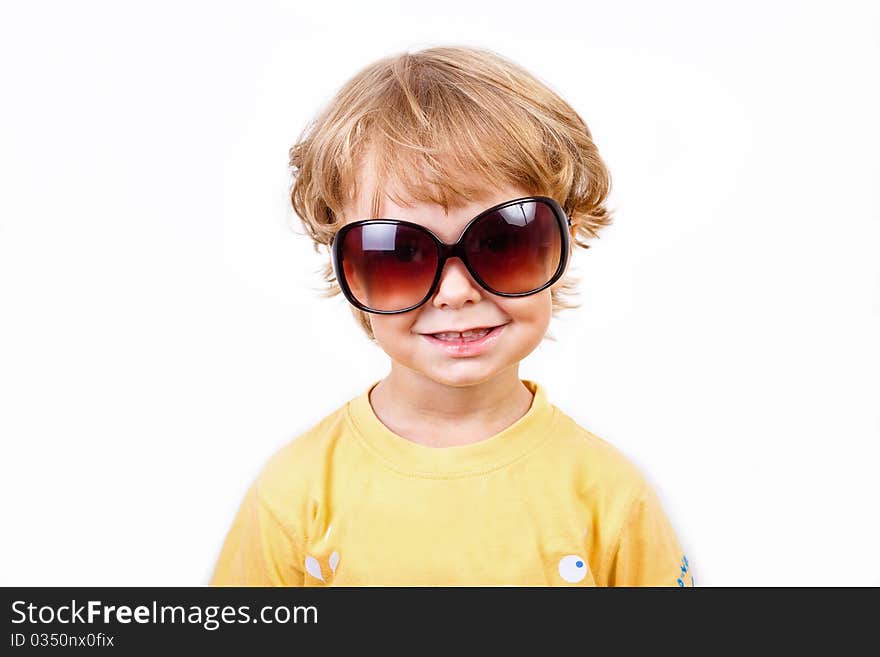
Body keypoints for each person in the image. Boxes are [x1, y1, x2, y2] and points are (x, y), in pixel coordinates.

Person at [209, 45, 694, 587]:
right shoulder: (295, 496)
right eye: (399, 253)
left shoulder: (610, 496)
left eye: (503, 240)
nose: (456, 291)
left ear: (566, 241)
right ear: (344, 265)